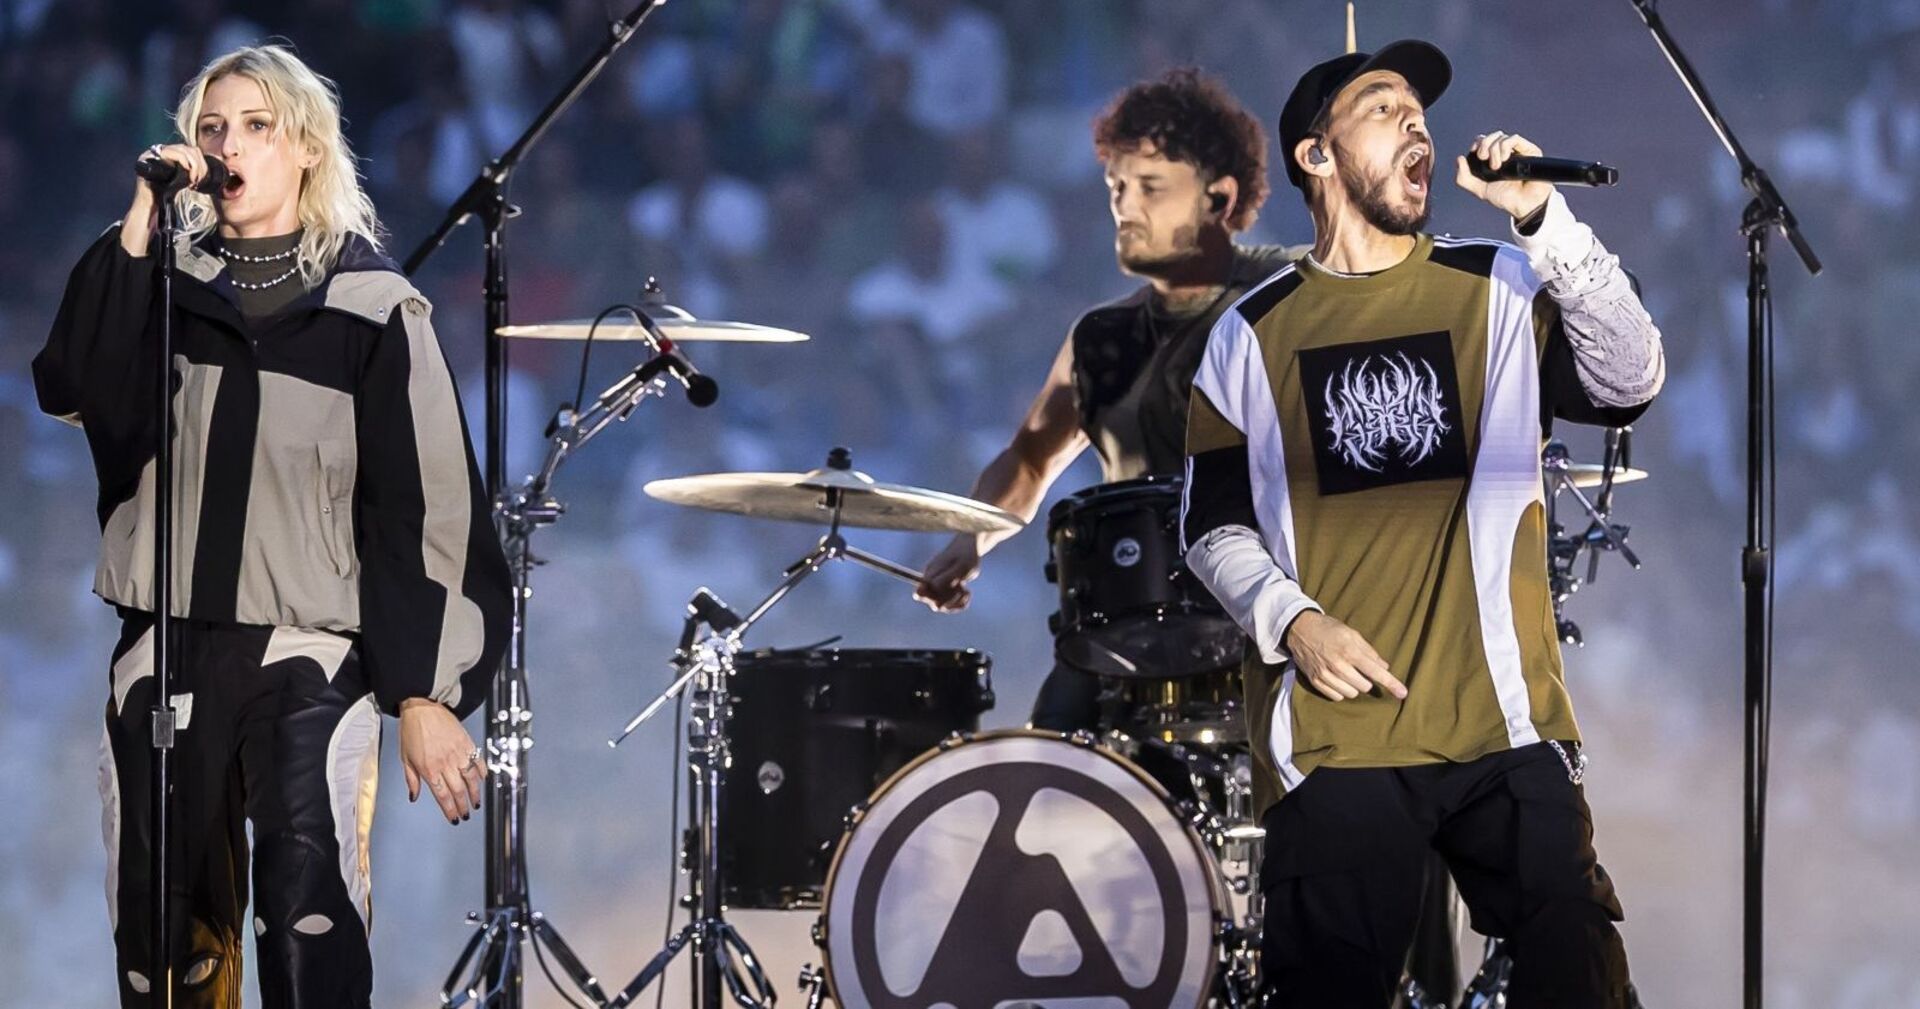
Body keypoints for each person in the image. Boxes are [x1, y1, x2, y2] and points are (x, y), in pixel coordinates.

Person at [1180, 41, 1663, 1007]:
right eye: (1384, 105)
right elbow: (1210, 525)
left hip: (1503, 720)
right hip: (1339, 730)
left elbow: (1629, 377)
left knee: (1579, 958)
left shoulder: (1501, 282)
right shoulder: (1253, 331)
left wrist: (1543, 218)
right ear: (1318, 158)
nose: (1419, 125)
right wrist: (1294, 621)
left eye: (1422, 114)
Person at [32, 45, 510, 1008]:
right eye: (210, 128)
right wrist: (143, 214)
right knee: (165, 954)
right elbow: (72, 383)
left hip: (307, 656)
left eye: (256, 126)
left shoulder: (374, 310)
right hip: (163, 650)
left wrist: (423, 693)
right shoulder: (154, 286)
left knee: (307, 929)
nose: (227, 145)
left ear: (305, 148)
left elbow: (425, 507)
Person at [911, 68, 1290, 729]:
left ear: (1219, 197)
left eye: (1151, 187)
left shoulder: (1294, 295)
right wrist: (970, 540)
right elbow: (1030, 462)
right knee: (1052, 755)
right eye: (1117, 188)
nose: (1124, 207)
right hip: (1134, 618)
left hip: (1276, 608)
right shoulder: (1101, 337)